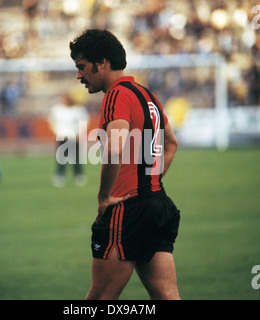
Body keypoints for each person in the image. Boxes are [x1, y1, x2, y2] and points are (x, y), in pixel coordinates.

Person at [70, 29, 181, 300]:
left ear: (102, 63)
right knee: (167, 294)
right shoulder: (147, 94)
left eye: (82, 67)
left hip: (125, 210)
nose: (79, 75)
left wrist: (104, 197)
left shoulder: (116, 95)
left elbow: (115, 146)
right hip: (156, 204)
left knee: (99, 299)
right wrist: (150, 181)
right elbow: (171, 144)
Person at [48, 93, 89, 187]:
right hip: (62, 136)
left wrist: (79, 132)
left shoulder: (78, 109)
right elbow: (52, 121)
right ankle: (60, 176)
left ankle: (78, 175)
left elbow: (84, 121)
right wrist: (57, 131)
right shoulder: (57, 109)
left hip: (74, 135)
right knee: (61, 157)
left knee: (75, 157)